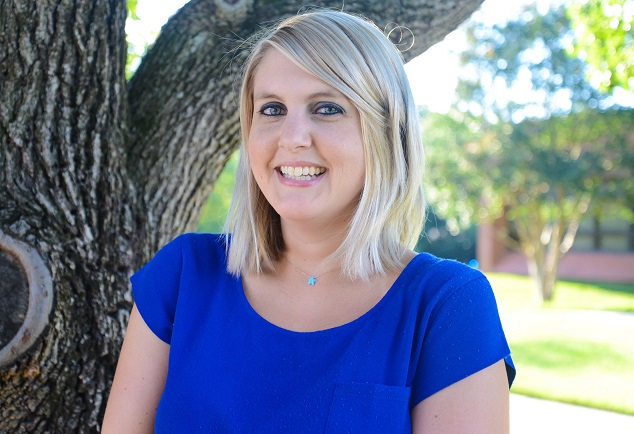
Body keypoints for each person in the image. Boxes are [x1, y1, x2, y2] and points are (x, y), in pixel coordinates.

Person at [102, 9, 515, 433]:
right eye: (272, 108)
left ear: (387, 132)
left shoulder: (445, 305)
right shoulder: (184, 276)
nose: (292, 136)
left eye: (327, 108)